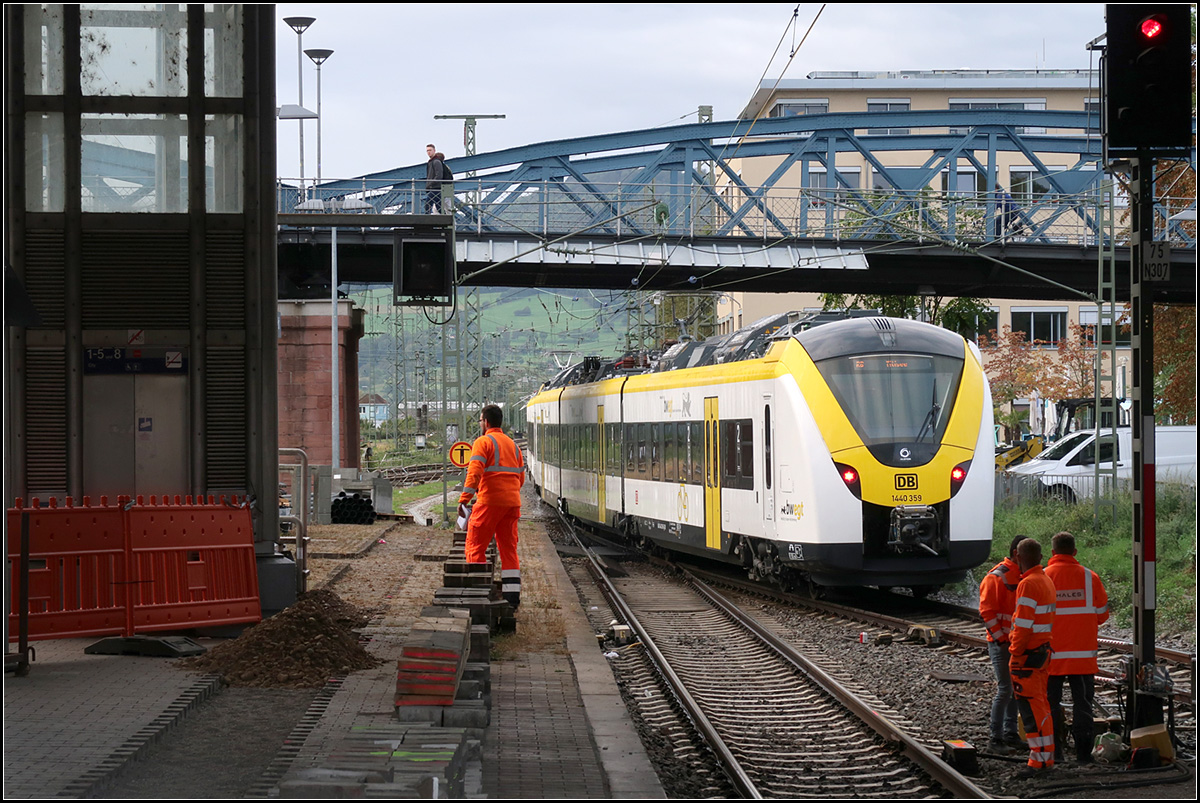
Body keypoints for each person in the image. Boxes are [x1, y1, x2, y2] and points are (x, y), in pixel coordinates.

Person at [1044, 531, 1109, 764]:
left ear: (1052, 553)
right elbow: (1102, 615)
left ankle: (1056, 753)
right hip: (1082, 658)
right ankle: (1083, 755)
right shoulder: (1090, 578)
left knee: (1050, 705)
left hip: (1050, 658)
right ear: (1074, 552)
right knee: (1083, 705)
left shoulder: (1042, 578)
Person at [458, 404, 525, 609]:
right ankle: (512, 599)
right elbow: (521, 477)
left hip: (489, 502)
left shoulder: (483, 442)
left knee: (476, 546)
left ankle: (478, 594)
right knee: (509, 549)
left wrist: (464, 499)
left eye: (480, 420)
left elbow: (474, 473)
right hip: (512, 504)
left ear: (486, 422)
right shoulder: (513, 445)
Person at [1009, 537, 1057, 772]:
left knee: (1031, 710)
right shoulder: (1046, 580)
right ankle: (1045, 756)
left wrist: (1015, 652)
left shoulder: (1028, 584)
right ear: (1040, 556)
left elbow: (1023, 625)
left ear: (1018, 557)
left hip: (1027, 655)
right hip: (1042, 652)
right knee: (1041, 705)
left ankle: (1038, 759)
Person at [979, 535, 1026, 753]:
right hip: (1002, 643)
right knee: (1006, 689)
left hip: (1013, 643)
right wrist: (1000, 639)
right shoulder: (996, 577)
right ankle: (995, 738)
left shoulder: (1022, 576)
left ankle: (1009, 733)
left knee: (1014, 689)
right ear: (1018, 554)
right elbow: (987, 612)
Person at [424, 144, 444, 214]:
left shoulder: (436, 162)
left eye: (430, 150)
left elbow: (439, 176)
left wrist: (430, 184)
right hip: (434, 188)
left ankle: (427, 221)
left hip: (435, 188)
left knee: (427, 204)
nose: (428, 152)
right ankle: (446, 221)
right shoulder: (431, 162)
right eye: (427, 151)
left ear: (434, 151)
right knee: (439, 208)